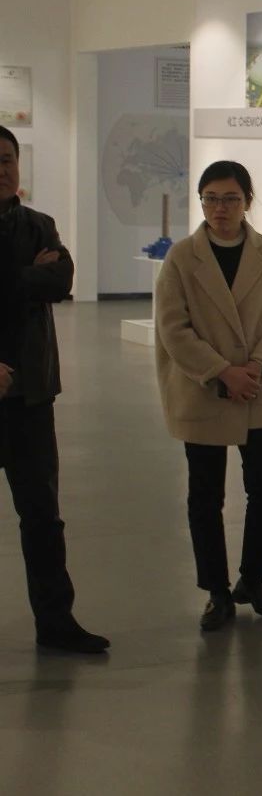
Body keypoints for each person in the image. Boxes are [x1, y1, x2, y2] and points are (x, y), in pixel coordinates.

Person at [154, 160, 262, 632]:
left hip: (258, 386)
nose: (220, 209)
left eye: (231, 199)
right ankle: (216, 590)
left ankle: (254, 579)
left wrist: (255, 366)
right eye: (212, 199)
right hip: (204, 389)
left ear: (247, 202)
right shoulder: (182, 257)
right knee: (205, 495)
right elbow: (173, 328)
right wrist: (221, 372)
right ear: (201, 202)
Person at [0, 124, 109, 655]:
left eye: (6, 159)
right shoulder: (34, 240)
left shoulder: (39, 225)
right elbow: (39, 282)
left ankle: (56, 622)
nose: (1, 169)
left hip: (31, 395)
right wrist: (27, 276)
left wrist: (17, 278)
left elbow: (61, 281)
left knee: (43, 516)